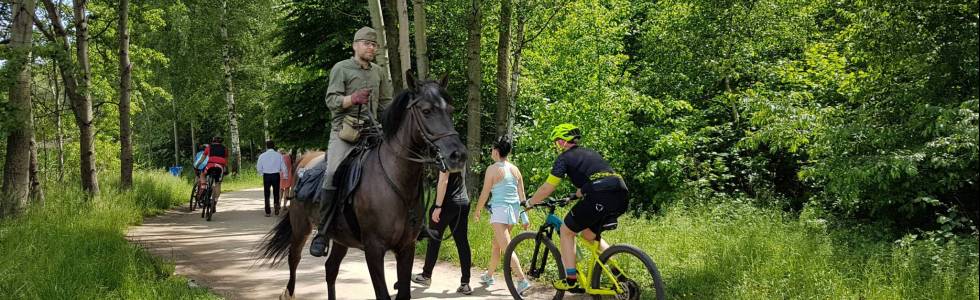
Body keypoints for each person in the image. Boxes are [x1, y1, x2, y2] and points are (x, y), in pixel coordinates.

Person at [309, 26, 393, 257]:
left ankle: (410, 224)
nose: (371, 47)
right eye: (366, 43)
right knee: (332, 172)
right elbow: (331, 100)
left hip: (372, 133)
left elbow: (386, 103)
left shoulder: (378, 72)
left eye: (374, 44)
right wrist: (352, 98)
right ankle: (323, 232)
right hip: (344, 133)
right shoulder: (341, 68)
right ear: (355, 45)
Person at [525, 124, 629, 291]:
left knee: (566, 231)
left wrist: (530, 202)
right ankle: (618, 274)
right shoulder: (590, 153)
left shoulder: (564, 158)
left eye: (556, 141)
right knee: (589, 234)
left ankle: (570, 279)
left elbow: (548, 188)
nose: (556, 145)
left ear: (561, 142)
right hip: (621, 193)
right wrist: (573, 196)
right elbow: (593, 181)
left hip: (599, 195)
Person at [472, 137, 532, 292]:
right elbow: (522, 195)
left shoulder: (492, 169)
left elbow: (485, 193)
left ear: (496, 152)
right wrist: (524, 216)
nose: (491, 151)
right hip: (513, 212)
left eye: (492, 149)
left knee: (507, 247)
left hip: (500, 212)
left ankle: (521, 280)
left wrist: (477, 210)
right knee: (496, 245)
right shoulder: (515, 169)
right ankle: (489, 275)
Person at [410, 170, 473, 294]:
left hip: (447, 203)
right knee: (462, 243)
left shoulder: (446, 153)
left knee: (434, 239)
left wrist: (438, 207)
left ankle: (426, 276)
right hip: (463, 201)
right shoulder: (461, 154)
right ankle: (465, 283)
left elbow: (444, 180)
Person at [257, 140, 289, 217]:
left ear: (266, 146)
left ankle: (268, 211)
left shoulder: (262, 156)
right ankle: (276, 206)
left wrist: (261, 173)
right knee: (276, 192)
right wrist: (285, 175)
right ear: (274, 146)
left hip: (266, 175)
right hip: (276, 175)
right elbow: (283, 167)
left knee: (267, 193)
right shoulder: (279, 155)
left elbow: (258, 166)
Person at [202, 136, 229, 207]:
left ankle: (204, 187)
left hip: (210, 166)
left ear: (213, 141)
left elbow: (202, 159)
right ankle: (215, 202)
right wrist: (226, 168)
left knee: (202, 174)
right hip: (220, 167)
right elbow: (226, 160)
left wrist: (197, 165)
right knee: (218, 184)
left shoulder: (209, 147)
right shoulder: (225, 149)